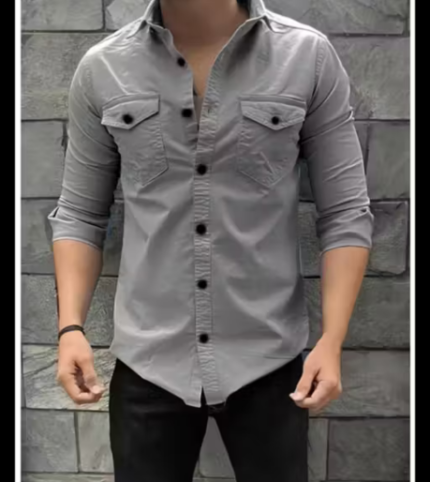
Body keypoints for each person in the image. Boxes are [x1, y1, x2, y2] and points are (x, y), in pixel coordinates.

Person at [48, 0, 374, 481]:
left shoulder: (307, 57)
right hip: (149, 362)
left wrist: (333, 339)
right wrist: (70, 329)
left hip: (268, 360)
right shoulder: (103, 68)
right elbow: (79, 214)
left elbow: (346, 212)